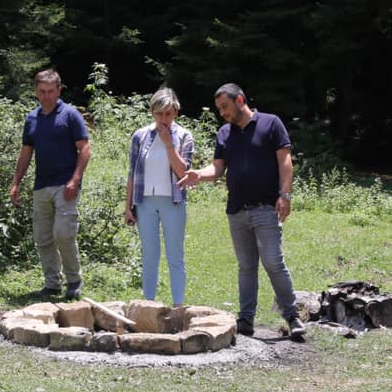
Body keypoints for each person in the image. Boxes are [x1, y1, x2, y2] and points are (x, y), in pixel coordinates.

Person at [179, 83, 306, 340]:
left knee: (273, 261)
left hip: (266, 207)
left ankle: (292, 316)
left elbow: (285, 160)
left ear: (239, 101)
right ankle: (246, 319)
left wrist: (285, 195)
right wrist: (198, 174)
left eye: (224, 107)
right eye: (219, 109)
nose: (222, 113)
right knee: (246, 266)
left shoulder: (271, 123)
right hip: (236, 210)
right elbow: (217, 169)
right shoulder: (225, 133)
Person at [11, 69, 91, 300]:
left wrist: (75, 180)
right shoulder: (32, 118)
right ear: (36, 91)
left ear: (59, 90)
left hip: (66, 184)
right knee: (43, 237)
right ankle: (52, 284)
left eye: (50, 91)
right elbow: (26, 152)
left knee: (64, 233)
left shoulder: (70, 115)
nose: (46, 96)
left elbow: (85, 149)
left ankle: (74, 281)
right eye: (42, 91)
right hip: (41, 185)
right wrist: (16, 182)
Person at [124, 88, 194, 306]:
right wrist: (128, 207)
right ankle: (148, 305)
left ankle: (178, 305)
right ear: (152, 112)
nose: (164, 119)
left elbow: (183, 172)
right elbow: (132, 173)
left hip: (173, 201)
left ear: (176, 112)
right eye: (159, 113)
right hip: (145, 203)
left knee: (175, 255)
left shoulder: (184, 136)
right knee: (149, 255)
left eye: (168, 114)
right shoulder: (140, 135)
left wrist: (169, 144)